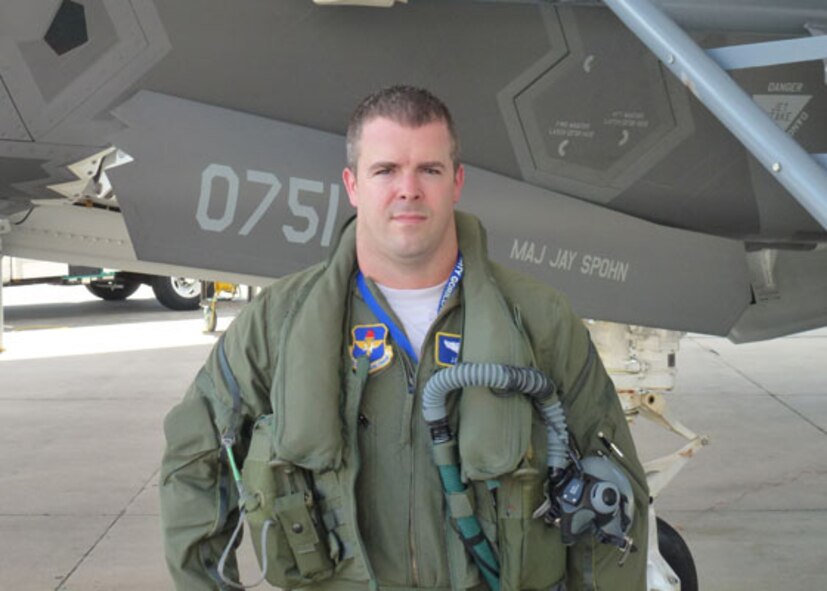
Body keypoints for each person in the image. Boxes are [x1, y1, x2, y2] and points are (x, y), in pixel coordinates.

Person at [160, 85, 649, 591]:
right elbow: (195, 462)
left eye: (429, 170)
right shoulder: (278, 321)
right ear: (352, 185)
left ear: (457, 181)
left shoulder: (539, 318)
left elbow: (612, 486)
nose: (408, 189)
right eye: (386, 170)